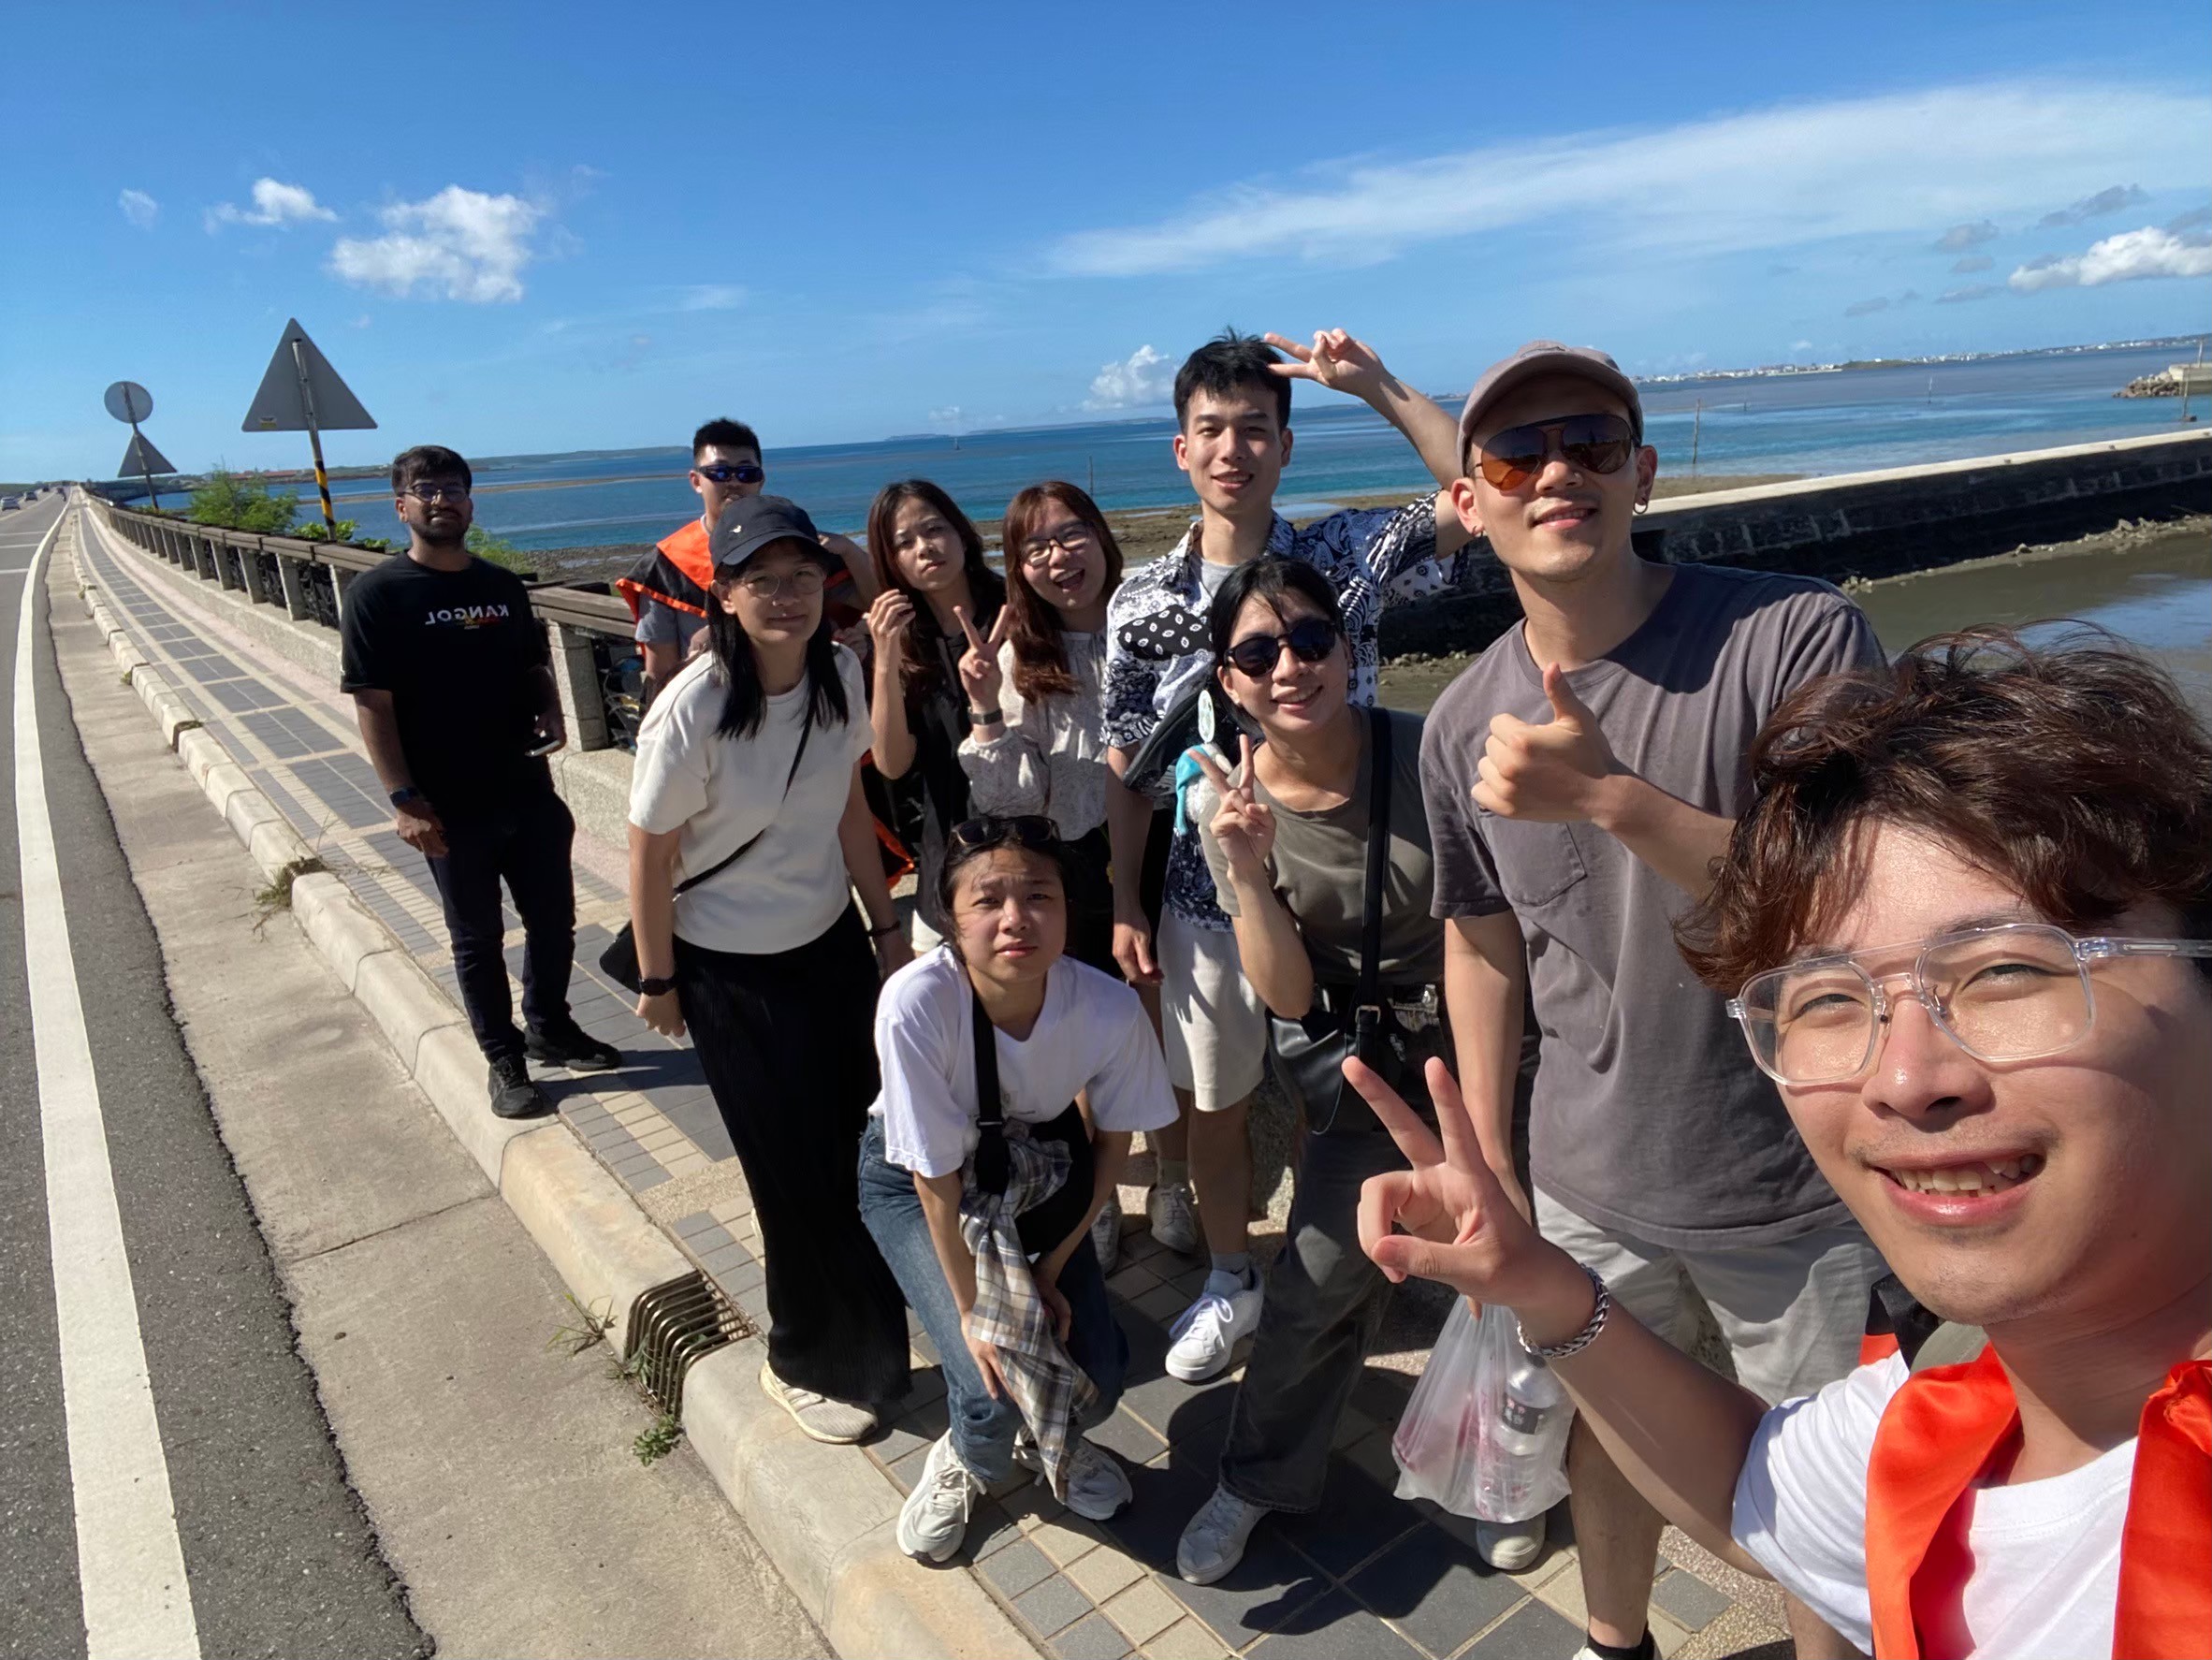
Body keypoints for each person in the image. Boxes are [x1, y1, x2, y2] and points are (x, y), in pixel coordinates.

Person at [1352, 627, 2212, 1660]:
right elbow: (1749, 1490)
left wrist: (1613, 798)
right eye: (1829, 997)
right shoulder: (1940, 1403)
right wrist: (1538, 1283)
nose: (1906, 1079)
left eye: (2008, 970)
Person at [1417, 342, 1888, 1655]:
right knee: (1607, 1439)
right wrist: (1490, 1163)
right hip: (1587, 1176)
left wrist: (1613, 799)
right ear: (1470, 500)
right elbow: (1483, 942)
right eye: (1517, 453)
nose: (1556, 471)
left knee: (1820, 1490)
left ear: (1644, 473)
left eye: (1592, 442)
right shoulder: (1459, 722)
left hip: (1796, 1181)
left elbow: (1855, 899)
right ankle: (1614, 1638)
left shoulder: (1795, 636)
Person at [1101, 328, 1477, 1383]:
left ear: (1286, 445)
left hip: (1352, 892)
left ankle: (1349, 1265)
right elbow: (1125, 768)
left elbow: (1477, 495)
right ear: (1182, 449)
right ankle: (1234, 1277)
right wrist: (1125, 900)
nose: (1234, 450)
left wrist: (1379, 386)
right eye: (1212, 430)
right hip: (1205, 897)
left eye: (1256, 429)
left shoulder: (1342, 559)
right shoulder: (1142, 603)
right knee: (1217, 1103)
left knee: (1341, 1100)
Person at [1171, 559, 1450, 1582]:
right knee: (1317, 1281)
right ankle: (1258, 1476)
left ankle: (1511, 1472)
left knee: (1533, 1270)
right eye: (1258, 652)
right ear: (1229, 681)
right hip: (1367, 1069)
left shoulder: (1427, 751)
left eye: (1310, 639)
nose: (1289, 666)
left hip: (1497, 1045)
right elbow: (1288, 997)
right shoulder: (1228, 806)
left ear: (1346, 646)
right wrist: (1245, 869)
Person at [627, 493, 912, 1443]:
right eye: (762, 580)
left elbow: (845, 810)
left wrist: (885, 930)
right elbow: (648, 856)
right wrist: (659, 980)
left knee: (862, 1148)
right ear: (725, 595)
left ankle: (874, 1333)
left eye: (801, 578)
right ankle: (802, 1357)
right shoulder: (695, 705)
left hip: (828, 948)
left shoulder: (838, 670)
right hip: (730, 973)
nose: (786, 596)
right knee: (786, 1170)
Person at [859, 816, 1179, 1562]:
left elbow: (1112, 1147)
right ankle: (969, 1458)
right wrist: (977, 1310)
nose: (1016, 918)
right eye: (988, 899)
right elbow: (933, 1177)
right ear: (950, 917)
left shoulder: (1107, 1005)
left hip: (1039, 1174)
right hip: (918, 1185)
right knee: (991, 1380)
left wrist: (1051, 1269)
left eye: (1039, 896)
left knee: (1100, 1369)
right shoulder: (916, 1001)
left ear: (1068, 910)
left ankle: (1051, 1437)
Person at [342, 444, 618, 1120]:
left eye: (455, 489)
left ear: (471, 502)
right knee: (477, 937)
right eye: (427, 490)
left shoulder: (500, 586)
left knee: (554, 921)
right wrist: (403, 799)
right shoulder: (378, 594)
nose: (443, 500)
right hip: (446, 802)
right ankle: (504, 1057)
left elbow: (531, 663)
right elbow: (372, 703)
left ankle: (551, 1026)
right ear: (401, 506)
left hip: (526, 786)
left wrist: (551, 705)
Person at [954, 481, 1129, 1269]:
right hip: (1074, 863)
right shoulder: (1020, 656)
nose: (1059, 557)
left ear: (1102, 536)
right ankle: (1101, 1198)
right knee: (1086, 1034)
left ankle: (1173, 1177)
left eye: (1071, 535)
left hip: (1166, 847)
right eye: (1035, 548)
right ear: (1018, 568)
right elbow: (1010, 800)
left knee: (1161, 1023)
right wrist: (986, 706)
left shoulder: (1145, 625)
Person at [616, 418, 875, 704]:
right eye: (719, 472)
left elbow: (875, 601)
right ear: (696, 481)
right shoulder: (665, 566)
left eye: (746, 473)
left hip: (803, 701)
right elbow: (660, 671)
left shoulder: (797, 547)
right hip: (715, 707)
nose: (734, 482)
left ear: (760, 479)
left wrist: (849, 550)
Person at [866, 479, 1006, 941]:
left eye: (934, 529)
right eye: (904, 543)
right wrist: (884, 658)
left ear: (962, 533)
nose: (924, 548)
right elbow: (891, 762)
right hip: (947, 860)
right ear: (892, 562)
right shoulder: (905, 644)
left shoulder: (1015, 611)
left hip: (1028, 851)